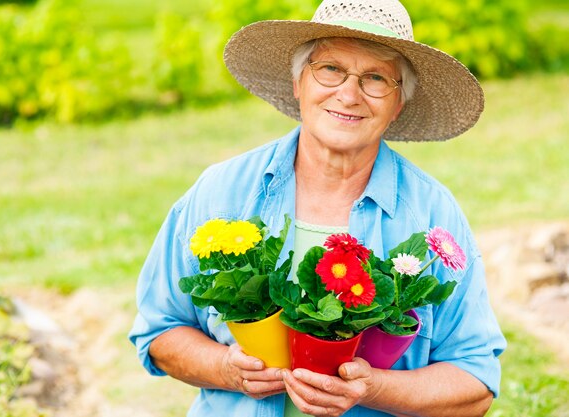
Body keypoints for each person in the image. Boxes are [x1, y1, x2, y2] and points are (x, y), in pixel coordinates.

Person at [129, 0, 506, 416]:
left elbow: (476, 384)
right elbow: (160, 332)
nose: (348, 94)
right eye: (330, 69)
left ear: (397, 106)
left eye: (376, 78)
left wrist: (373, 388)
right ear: (298, 83)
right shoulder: (223, 191)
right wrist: (226, 368)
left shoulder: (431, 216)